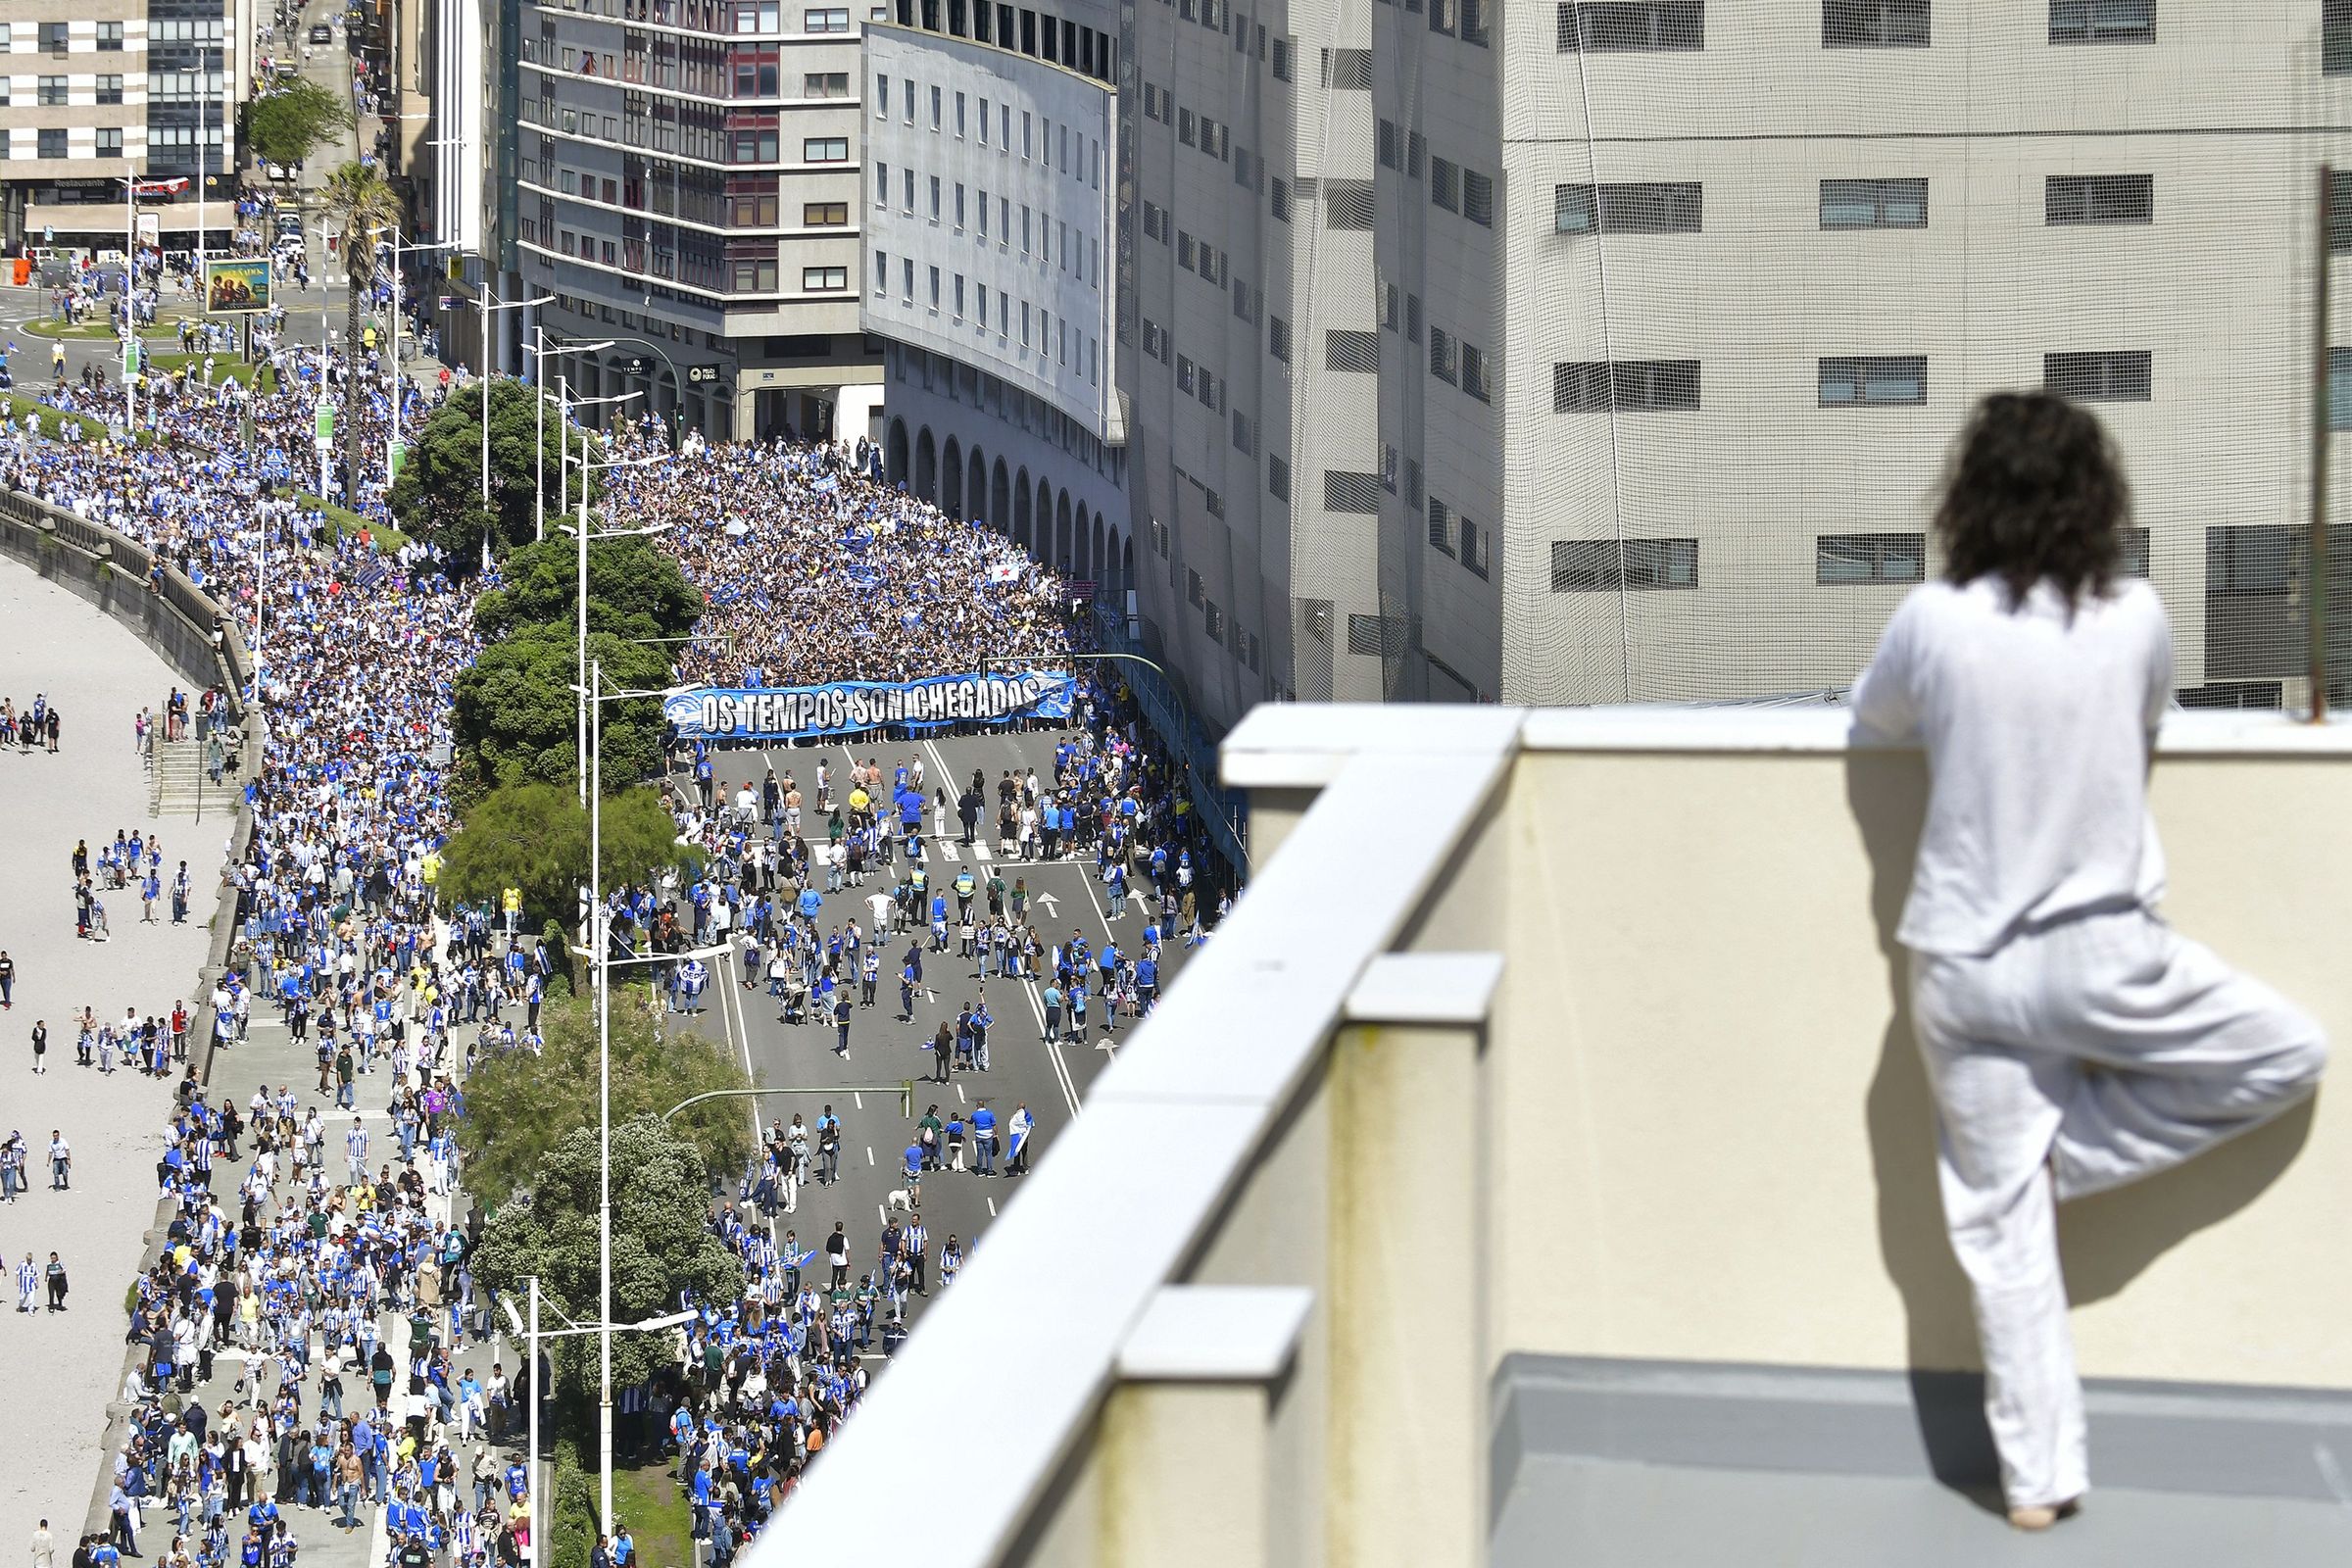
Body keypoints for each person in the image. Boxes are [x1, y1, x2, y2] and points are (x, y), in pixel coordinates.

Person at [1850, 390, 2328, 1532]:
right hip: (2104, 952)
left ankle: (2038, 1486)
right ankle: (2078, 1157)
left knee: (2003, 1238)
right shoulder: (2138, 618)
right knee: (2288, 1052)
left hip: (1961, 966)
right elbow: (2147, 721)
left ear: (1968, 496)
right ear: (2096, 501)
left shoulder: (1932, 617)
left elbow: (1877, 726)